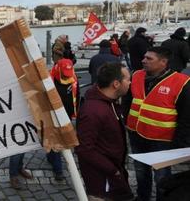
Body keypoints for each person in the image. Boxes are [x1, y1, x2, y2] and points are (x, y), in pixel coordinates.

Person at [123, 46, 190, 201]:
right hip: (136, 134)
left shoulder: (181, 82)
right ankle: (142, 197)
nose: (143, 60)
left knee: (161, 175)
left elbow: (186, 116)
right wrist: (127, 120)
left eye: (149, 59)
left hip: (162, 139)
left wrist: (180, 142)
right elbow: (128, 100)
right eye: (144, 57)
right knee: (140, 171)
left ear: (163, 62)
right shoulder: (136, 75)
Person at [76, 62, 134, 201]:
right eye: (127, 79)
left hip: (114, 173)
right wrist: (112, 170)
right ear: (116, 84)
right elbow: (85, 149)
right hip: (103, 180)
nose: (130, 82)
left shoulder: (110, 103)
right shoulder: (93, 110)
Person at [48, 58, 80, 182]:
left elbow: (77, 97)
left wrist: (75, 114)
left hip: (66, 116)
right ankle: (58, 170)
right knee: (58, 142)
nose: (67, 78)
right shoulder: (50, 81)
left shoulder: (74, 79)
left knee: (56, 141)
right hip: (53, 116)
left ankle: (51, 156)